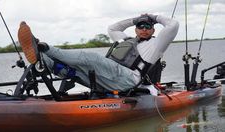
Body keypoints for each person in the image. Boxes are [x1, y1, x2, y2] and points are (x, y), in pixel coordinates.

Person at [18, 13, 179, 96]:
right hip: (108, 79)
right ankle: (42, 59)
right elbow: (113, 28)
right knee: (73, 71)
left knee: (91, 59)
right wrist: (135, 18)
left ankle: (44, 47)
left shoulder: (156, 45)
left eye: (148, 26)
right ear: (136, 28)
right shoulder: (125, 39)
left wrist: (154, 17)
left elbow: (173, 25)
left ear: (153, 29)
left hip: (129, 79)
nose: (144, 28)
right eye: (140, 25)